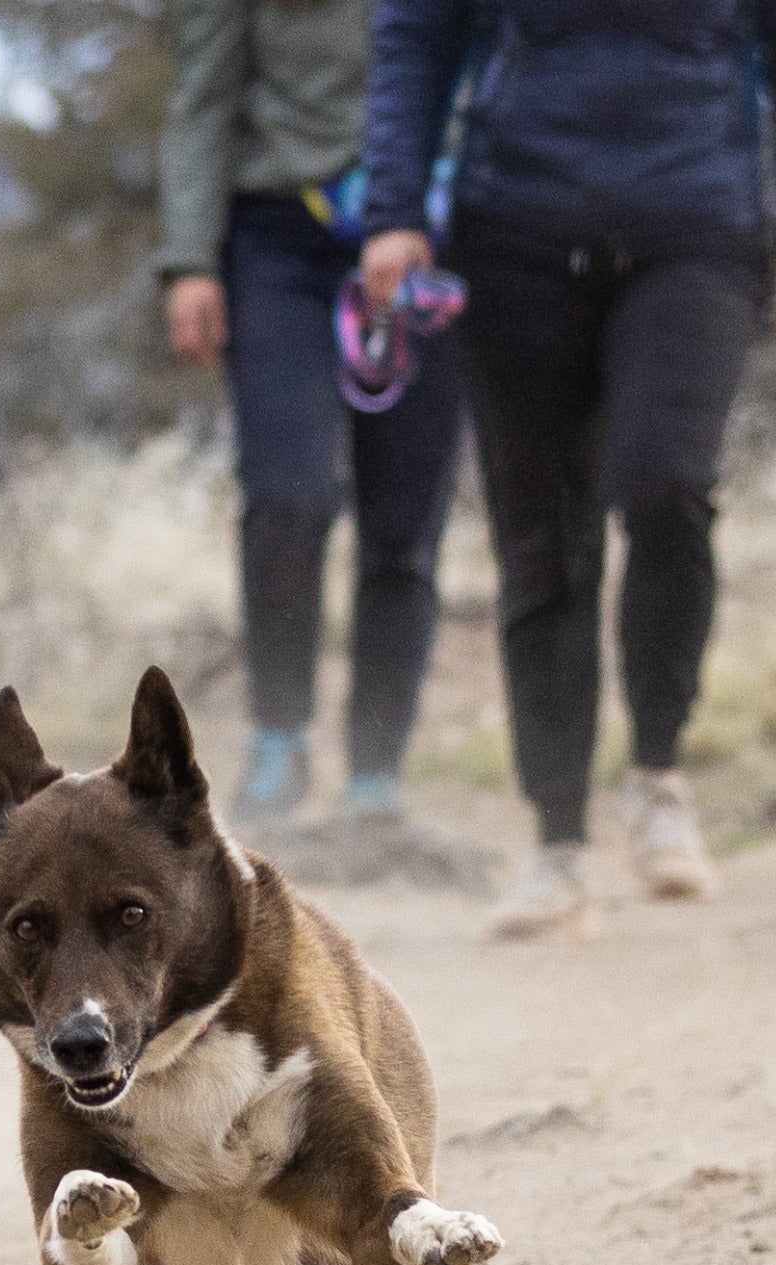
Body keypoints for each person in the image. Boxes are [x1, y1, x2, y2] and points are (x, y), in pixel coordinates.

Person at [362, 0, 776, 936]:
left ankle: (659, 775)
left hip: (699, 232)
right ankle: (557, 848)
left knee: (666, 484)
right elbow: (416, 36)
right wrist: (392, 208)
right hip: (517, 232)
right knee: (542, 539)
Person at [159, 0, 465, 824]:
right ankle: (278, 738)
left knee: (405, 523)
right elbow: (202, 100)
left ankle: (376, 776)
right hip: (281, 240)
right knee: (289, 497)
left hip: (429, 237)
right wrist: (189, 258)